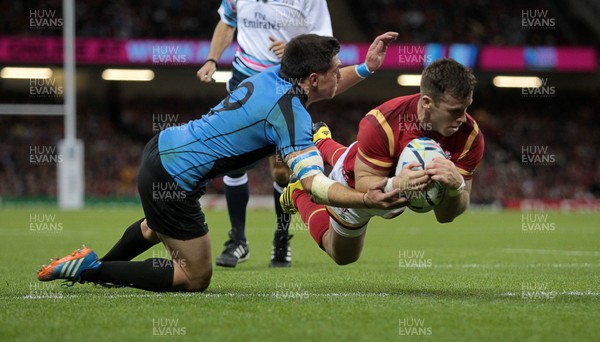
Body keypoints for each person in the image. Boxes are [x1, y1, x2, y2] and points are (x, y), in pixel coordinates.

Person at [36, 32, 404, 292]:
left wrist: (368, 69)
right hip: (174, 180)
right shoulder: (291, 116)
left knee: (156, 226)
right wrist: (366, 200)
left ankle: (97, 266)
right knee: (195, 277)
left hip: (161, 150)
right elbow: (313, 184)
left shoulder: (273, 76)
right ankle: (93, 270)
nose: (341, 73)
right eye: (337, 69)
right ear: (311, 78)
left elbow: (322, 89)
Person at [280, 58, 485, 265]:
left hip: (388, 182)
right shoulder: (382, 122)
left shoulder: (470, 136)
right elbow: (364, 185)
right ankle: (298, 192)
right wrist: (396, 184)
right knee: (342, 256)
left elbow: (446, 216)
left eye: (466, 108)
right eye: (454, 111)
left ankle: (322, 140)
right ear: (427, 103)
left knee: (361, 158)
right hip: (358, 183)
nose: (462, 118)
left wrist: (455, 186)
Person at [196, 0, 334, 268]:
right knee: (232, 162)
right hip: (244, 80)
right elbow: (227, 22)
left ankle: (281, 239)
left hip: (284, 80)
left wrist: (297, 49)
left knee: (282, 170)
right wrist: (212, 59)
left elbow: (326, 41)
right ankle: (238, 240)